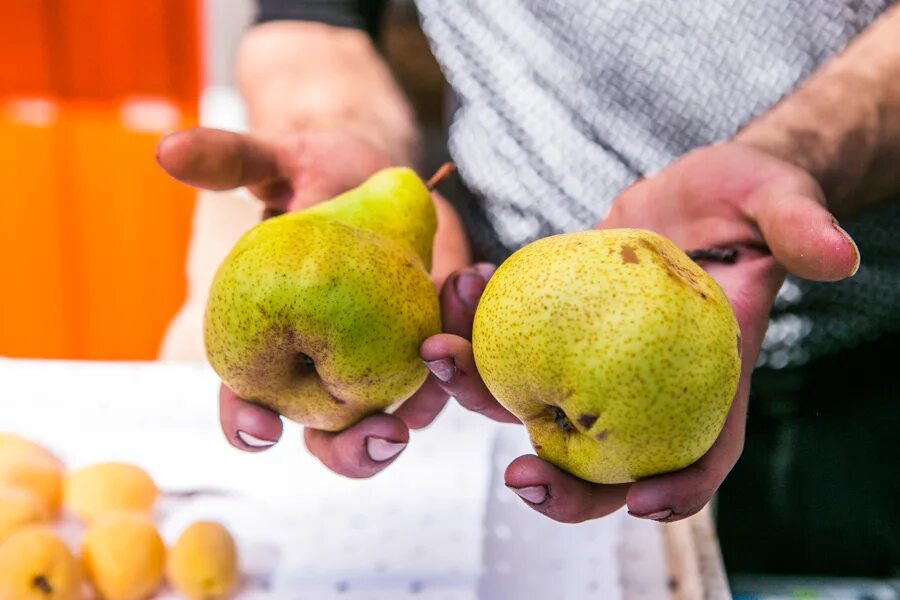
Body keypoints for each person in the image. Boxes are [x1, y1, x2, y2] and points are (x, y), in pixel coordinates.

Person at [156, 0, 900, 575]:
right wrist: (351, 146)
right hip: (474, 342)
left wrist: (791, 154)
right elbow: (310, 20)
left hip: (866, 362)